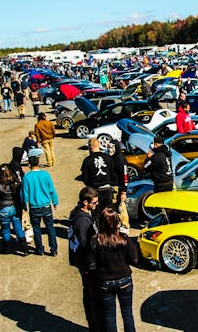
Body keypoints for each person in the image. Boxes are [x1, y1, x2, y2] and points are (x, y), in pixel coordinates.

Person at [94, 207, 138, 332]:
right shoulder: (123, 238)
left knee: (109, 315)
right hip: (124, 279)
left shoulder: (96, 240)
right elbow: (134, 259)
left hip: (105, 281)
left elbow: (91, 262)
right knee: (127, 313)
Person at [68, 187, 102, 332]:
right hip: (88, 265)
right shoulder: (82, 221)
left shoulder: (83, 216)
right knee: (93, 297)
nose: (97, 204)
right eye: (94, 202)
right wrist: (91, 266)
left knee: (91, 295)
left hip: (85, 263)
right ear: (84, 202)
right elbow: (85, 246)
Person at [22, 151, 59, 256]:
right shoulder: (45, 175)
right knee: (50, 228)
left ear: (29, 164)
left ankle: (40, 249)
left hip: (34, 207)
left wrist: (24, 205)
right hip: (46, 206)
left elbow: (25, 193)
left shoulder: (27, 177)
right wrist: (55, 202)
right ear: (38, 163)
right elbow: (51, 190)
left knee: (36, 229)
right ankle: (53, 249)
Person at [0, 164, 28, 256]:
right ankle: (25, 249)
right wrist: (22, 206)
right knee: (18, 229)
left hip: (3, 210)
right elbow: (20, 195)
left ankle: (6, 249)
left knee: (6, 230)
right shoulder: (15, 182)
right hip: (14, 208)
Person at [81, 138, 114, 214]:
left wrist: (90, 187)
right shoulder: (108, 158)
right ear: (99, 145)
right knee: (108, 213)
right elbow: (113, 173)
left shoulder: (87, 160)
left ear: (90, 147)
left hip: (94, 191)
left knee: (96, 213)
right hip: (107, 189)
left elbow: (84, 178)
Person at [108, 139, 130, 230]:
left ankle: (125, 225)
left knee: (120, 206)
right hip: (112, 186)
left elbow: (124, 175)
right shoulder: (111, 158)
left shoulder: (120, 159)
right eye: (108, 147)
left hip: (118, 187)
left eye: (112, 148)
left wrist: (124, 190)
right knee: (114, 207)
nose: (110, 150)